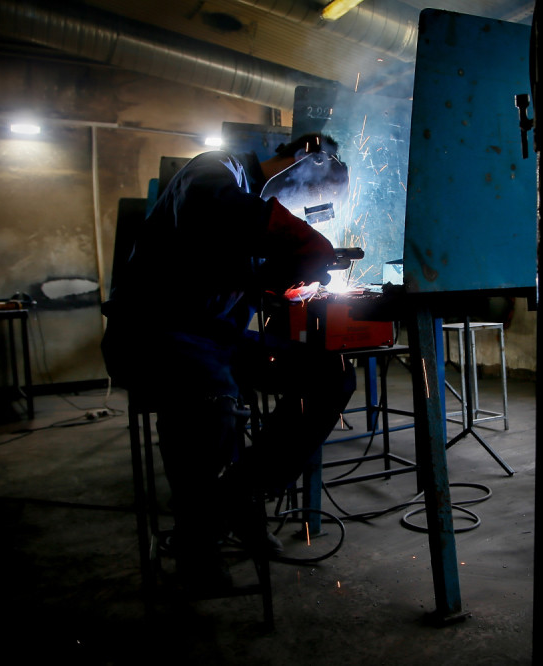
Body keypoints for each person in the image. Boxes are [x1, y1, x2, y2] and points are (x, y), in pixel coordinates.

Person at [101, 133, 356, 593]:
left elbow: (235, 269)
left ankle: (241, 494)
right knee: (210, 395)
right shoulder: (214, 169)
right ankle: (198, 544)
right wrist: (300, 240)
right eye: (311, 192)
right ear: (301, 159)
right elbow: (221, 210)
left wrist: (283, 280)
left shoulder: (250, 201)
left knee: (330, 376)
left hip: (214, 337)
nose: (305, 205)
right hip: (152, 333)